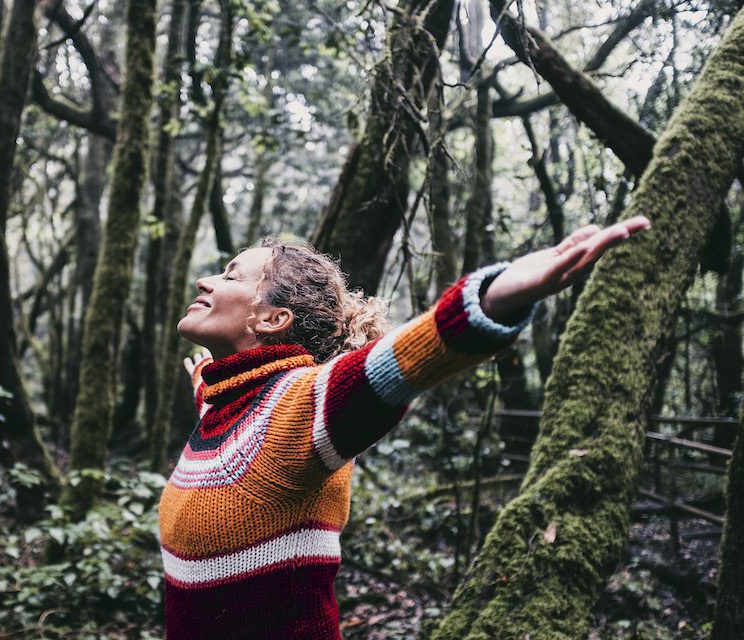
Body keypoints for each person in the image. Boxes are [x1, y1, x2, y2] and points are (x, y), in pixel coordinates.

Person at [158, 216, 651, 640]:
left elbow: (398, 363)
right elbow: (230, 411)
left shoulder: (298, 410)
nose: (205, 282)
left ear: (272, 318)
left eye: (229, 276)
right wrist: (206, 380)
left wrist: (492, 300)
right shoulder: (228, 405)